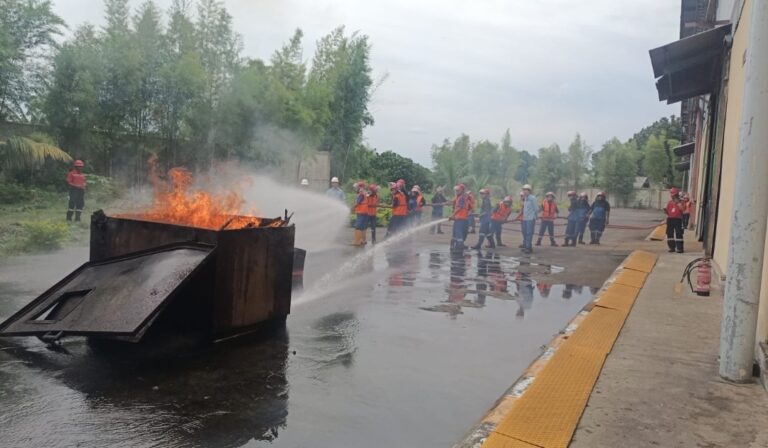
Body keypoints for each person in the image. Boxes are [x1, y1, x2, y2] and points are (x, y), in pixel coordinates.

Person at [450, 183, 471, 252]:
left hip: (460, 219)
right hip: (462, 219)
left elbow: (459, 207)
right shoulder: (461, 198)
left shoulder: (462, 198)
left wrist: (453, 215)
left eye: (458, 190)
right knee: (457, 233)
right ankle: (454, 246)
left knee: (458, 234)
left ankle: (459, 247)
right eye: (456, 190)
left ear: (462, 190)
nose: (456, 192)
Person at [664, 188, 684, 253]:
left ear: (677, 195)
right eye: (672, 195)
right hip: (670, 219)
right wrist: (666, 217)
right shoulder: (669, 202)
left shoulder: (681, 202)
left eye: (674, 195)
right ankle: (671, 247)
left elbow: (682, 209)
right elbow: (667, 211)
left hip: (678, 219)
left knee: (678, 233)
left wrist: (678, 203)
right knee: (669, 233)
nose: (672, 196)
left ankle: (679, 248)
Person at [519, 184, 537, 254]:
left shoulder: (533, 198)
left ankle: (528, 248)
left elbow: (536, 209)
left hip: (530, 218)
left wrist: (534, 216)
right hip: (525, 218)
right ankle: (526, 246)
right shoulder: (525, 199)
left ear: (529, 191)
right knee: (524, 232)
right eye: (523, 190)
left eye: (526, 190)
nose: (524, 192)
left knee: (529, 233)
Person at [351, 181, 368, 246]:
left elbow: (357, 203)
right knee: (363, 227)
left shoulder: (361, 193)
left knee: (358, 227)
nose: (356, 188)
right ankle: (363, 240)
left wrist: (352, 208)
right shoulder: (365, 193)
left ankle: (357, 241)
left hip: (361, 212)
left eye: (357, 187)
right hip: (365, 212)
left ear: (360, 187)